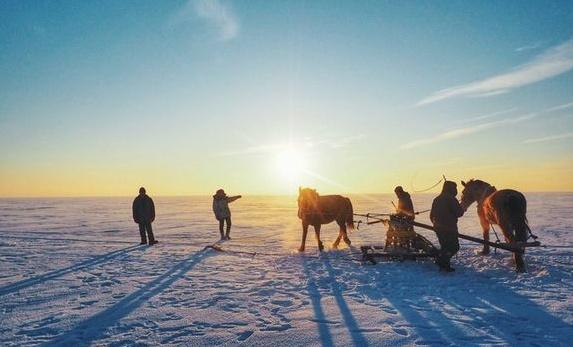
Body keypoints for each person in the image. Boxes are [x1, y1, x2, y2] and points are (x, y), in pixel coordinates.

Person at [430, 181, 465, 272]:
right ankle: (442, 261)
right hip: (449, 228)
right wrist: (461, 207)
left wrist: (435, 225)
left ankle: (443, 263)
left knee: (445, 246)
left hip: (438, 228)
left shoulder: (436, 199)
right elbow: (459, 213)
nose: (456, 190)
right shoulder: (451, 199)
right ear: (451, 189)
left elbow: (431, 215)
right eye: (455, 188)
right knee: (454, 247)